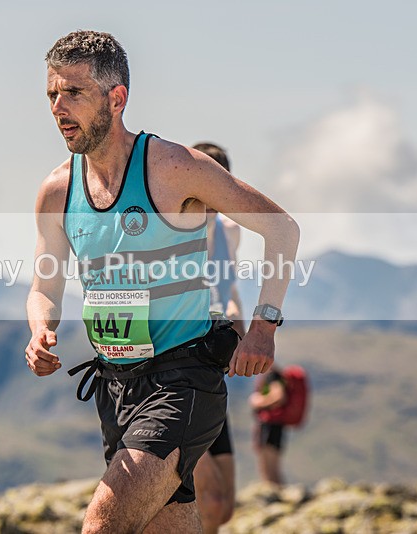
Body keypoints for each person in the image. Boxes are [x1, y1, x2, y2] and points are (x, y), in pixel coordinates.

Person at [25, 30, 299, 533]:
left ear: (117, 97)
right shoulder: (58, 189)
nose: (58, 108)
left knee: (103, 526)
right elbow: (45, 284)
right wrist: (40, 329)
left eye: (74, 93)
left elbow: (281, 229)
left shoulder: (173, 167)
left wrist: (264, 326)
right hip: (114, 387)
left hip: (183, 381)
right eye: (51, 95)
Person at [191, 143, 244, 533]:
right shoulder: (171, 228)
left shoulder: (229, 231)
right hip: (178, 372)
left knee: (224, 507)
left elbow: (228, 290)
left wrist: (243, 331)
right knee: (207, 501)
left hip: (214, 371)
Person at [249, 366, 287, 485]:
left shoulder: (272, 375)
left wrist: (258, 401)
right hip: (274, 426)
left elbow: (279, 396)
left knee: (269, 465)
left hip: (270, 427)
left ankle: (275, 493)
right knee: (270, 465)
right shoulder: (275, 375)